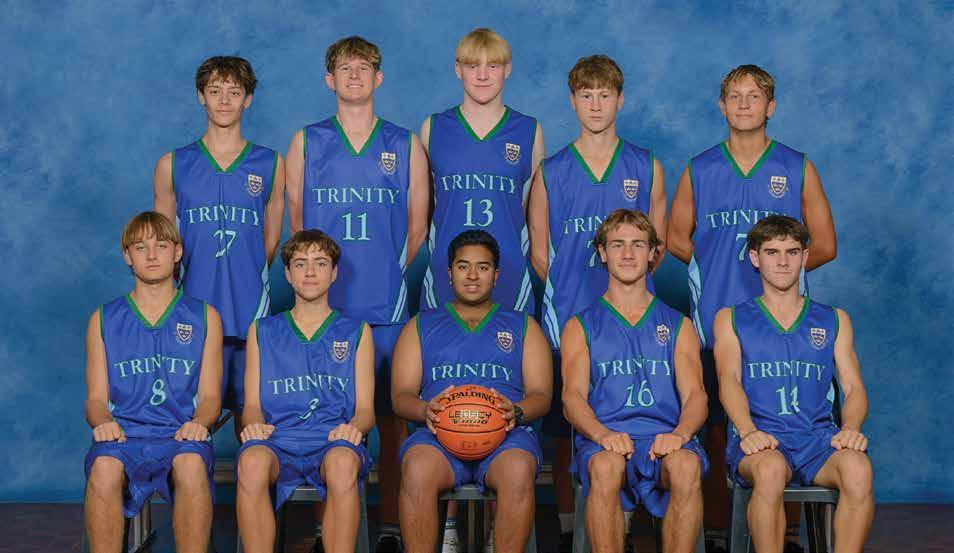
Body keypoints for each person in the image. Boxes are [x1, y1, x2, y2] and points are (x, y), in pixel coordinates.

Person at [666, 64, 836, 547]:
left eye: (754, 96)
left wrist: (779, 276)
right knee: (716, 429)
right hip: (714, 320)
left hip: (783, 326)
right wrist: (715, 268)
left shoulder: (796, 166)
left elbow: (824, 243)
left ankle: (788, 534)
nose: (744, 104)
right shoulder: (701, 168)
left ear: (770, 107)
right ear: (722, 106)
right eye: (735, 96)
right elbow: (675, 238)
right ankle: (720, 532)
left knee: (791, 424)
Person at [284, 36, 429, 552]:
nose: (353, 75)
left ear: (378, 77)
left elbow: (417, 227)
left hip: (385, 304)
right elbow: (298, 224)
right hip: (326, 308)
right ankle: (326, 530)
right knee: (325, 416)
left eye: (363, 67)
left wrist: (387, 271)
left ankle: (389, 524)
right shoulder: (307, 142)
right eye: (344, 68)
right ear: (330, 79)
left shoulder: (404, 143)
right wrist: (317, 282)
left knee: (391, 419)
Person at [527, 55, 666, 549]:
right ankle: (573, 528)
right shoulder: (552, 170)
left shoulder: (645, 165)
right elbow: (539, 252)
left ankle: (628, 520)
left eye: (605, 95)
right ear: (572, 101)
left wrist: (623, 296)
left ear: (620, 100)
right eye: (586, 95)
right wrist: (572, 294)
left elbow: (656, 245)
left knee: (632, 411)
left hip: (632, 319)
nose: (595, 105)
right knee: (567, 424)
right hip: (568, 312)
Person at [714, 215, 872, 553]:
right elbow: (729, 381)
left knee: (858, 468)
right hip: (762, 438)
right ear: (755, 258)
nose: (783, 261)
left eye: (792, 252)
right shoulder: (731, 318)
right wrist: (748, 431)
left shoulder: (834, 319)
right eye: (772, 252)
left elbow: (854, 388)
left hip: (817, 440)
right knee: (770, 470)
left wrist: (851, 427)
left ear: (804, 256)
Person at [392, 230, 552, 553]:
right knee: (417, 469)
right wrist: (425, 410)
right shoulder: (420, 325)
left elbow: (541, 395)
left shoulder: (524, 326)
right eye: (463, 266)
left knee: (518, 470)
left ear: (496, 274)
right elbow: (401, 395)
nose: (473, 275)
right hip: (438, 435)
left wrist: (516, 411)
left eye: (483, 267)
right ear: (450, 273)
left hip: (505, 435)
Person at [153, 55, 285, 438]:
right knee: (188, 423)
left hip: (250, 311)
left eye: (234, 92)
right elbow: (163, 245)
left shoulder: (270, 164)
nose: (224, 100)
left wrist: (245, 275)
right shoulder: (172, 165)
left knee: (254, 425)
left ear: (248, 99)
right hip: (192, 310)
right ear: (201, 96)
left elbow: (270, 242)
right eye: (215, 91)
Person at [562, 210, 707, 553]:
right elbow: (572, 398)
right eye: (618, 245)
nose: (627, 254)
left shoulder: (678, 325)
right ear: (602, 252)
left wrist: (680, 434)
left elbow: (696, 396)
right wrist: (602, 435)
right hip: (606, 438)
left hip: (664, 437)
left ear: (653, 252)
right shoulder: (580, 326)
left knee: (686, 466)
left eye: (638, 245)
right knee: (605, 466)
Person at [84, 212, 223, 553]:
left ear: (177, 252)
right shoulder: (103, 319)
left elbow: (210, 397)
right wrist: (102, 422)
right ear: (127, 256)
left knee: (191, 465)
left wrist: (200, 422)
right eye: (140, 247)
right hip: (125, 434)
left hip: (179, 434)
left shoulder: (205, 316)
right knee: (104, 467)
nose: (151, 255)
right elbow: (96, 400)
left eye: (161, 246)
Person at [236, 230, 375, 553]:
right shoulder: (262, 331)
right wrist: (253, 424)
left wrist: (354, 428)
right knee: (252, 462)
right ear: (287, 274)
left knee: (342, 463)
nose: (310, 272)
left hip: (331, 439)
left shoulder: (357, 332)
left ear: (334, 272)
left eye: (320, 263)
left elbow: (365, 411)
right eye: (300, 264)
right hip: (278, 439)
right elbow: (252, 406)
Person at [419, 27, 545, 315]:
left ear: (507, 70)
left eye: (493, 66)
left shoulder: (529, 131)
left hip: (510, 274)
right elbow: (423, 212)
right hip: (445, 273)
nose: (483, 75)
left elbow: (533, 213)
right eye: (473, 66)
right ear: (458, 70)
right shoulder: (433, 128)